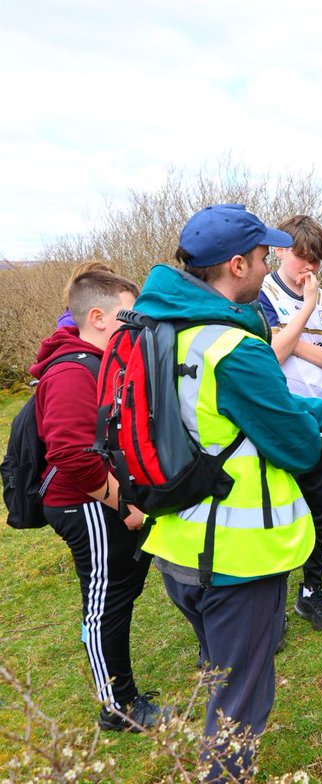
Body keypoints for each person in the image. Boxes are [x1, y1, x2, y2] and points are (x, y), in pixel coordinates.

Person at [138, 204, 322, 781]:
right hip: (236, 559)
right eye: (262, 256)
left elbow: (262, 405)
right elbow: (296, 445)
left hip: (176, 545)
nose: (267, 266)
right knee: (239, 705)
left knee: (220, 675)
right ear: (237, 265)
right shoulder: (235, 346)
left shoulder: (164, 329)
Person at [34, 266, 162, 731]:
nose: (137, 323)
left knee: (118, 593)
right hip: (83, 502)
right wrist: (123, 504)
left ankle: (120, 693)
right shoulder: (72, 371)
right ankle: (118, 706)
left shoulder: (100, 362)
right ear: (98, 317)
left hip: (100, 499)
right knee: (104, 601)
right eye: (129, 314)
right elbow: (70, 455)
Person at [257, 215, 322, 633]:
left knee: (318, 517)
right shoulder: (263, 294)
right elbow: (272, 355)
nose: (308, 267)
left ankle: (312, 592)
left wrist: (295, 340)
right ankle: (270, 606)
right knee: (274, 517)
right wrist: (305, 313)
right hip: (281, 426)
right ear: (280, 250)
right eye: (301, 257)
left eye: (315, 260)